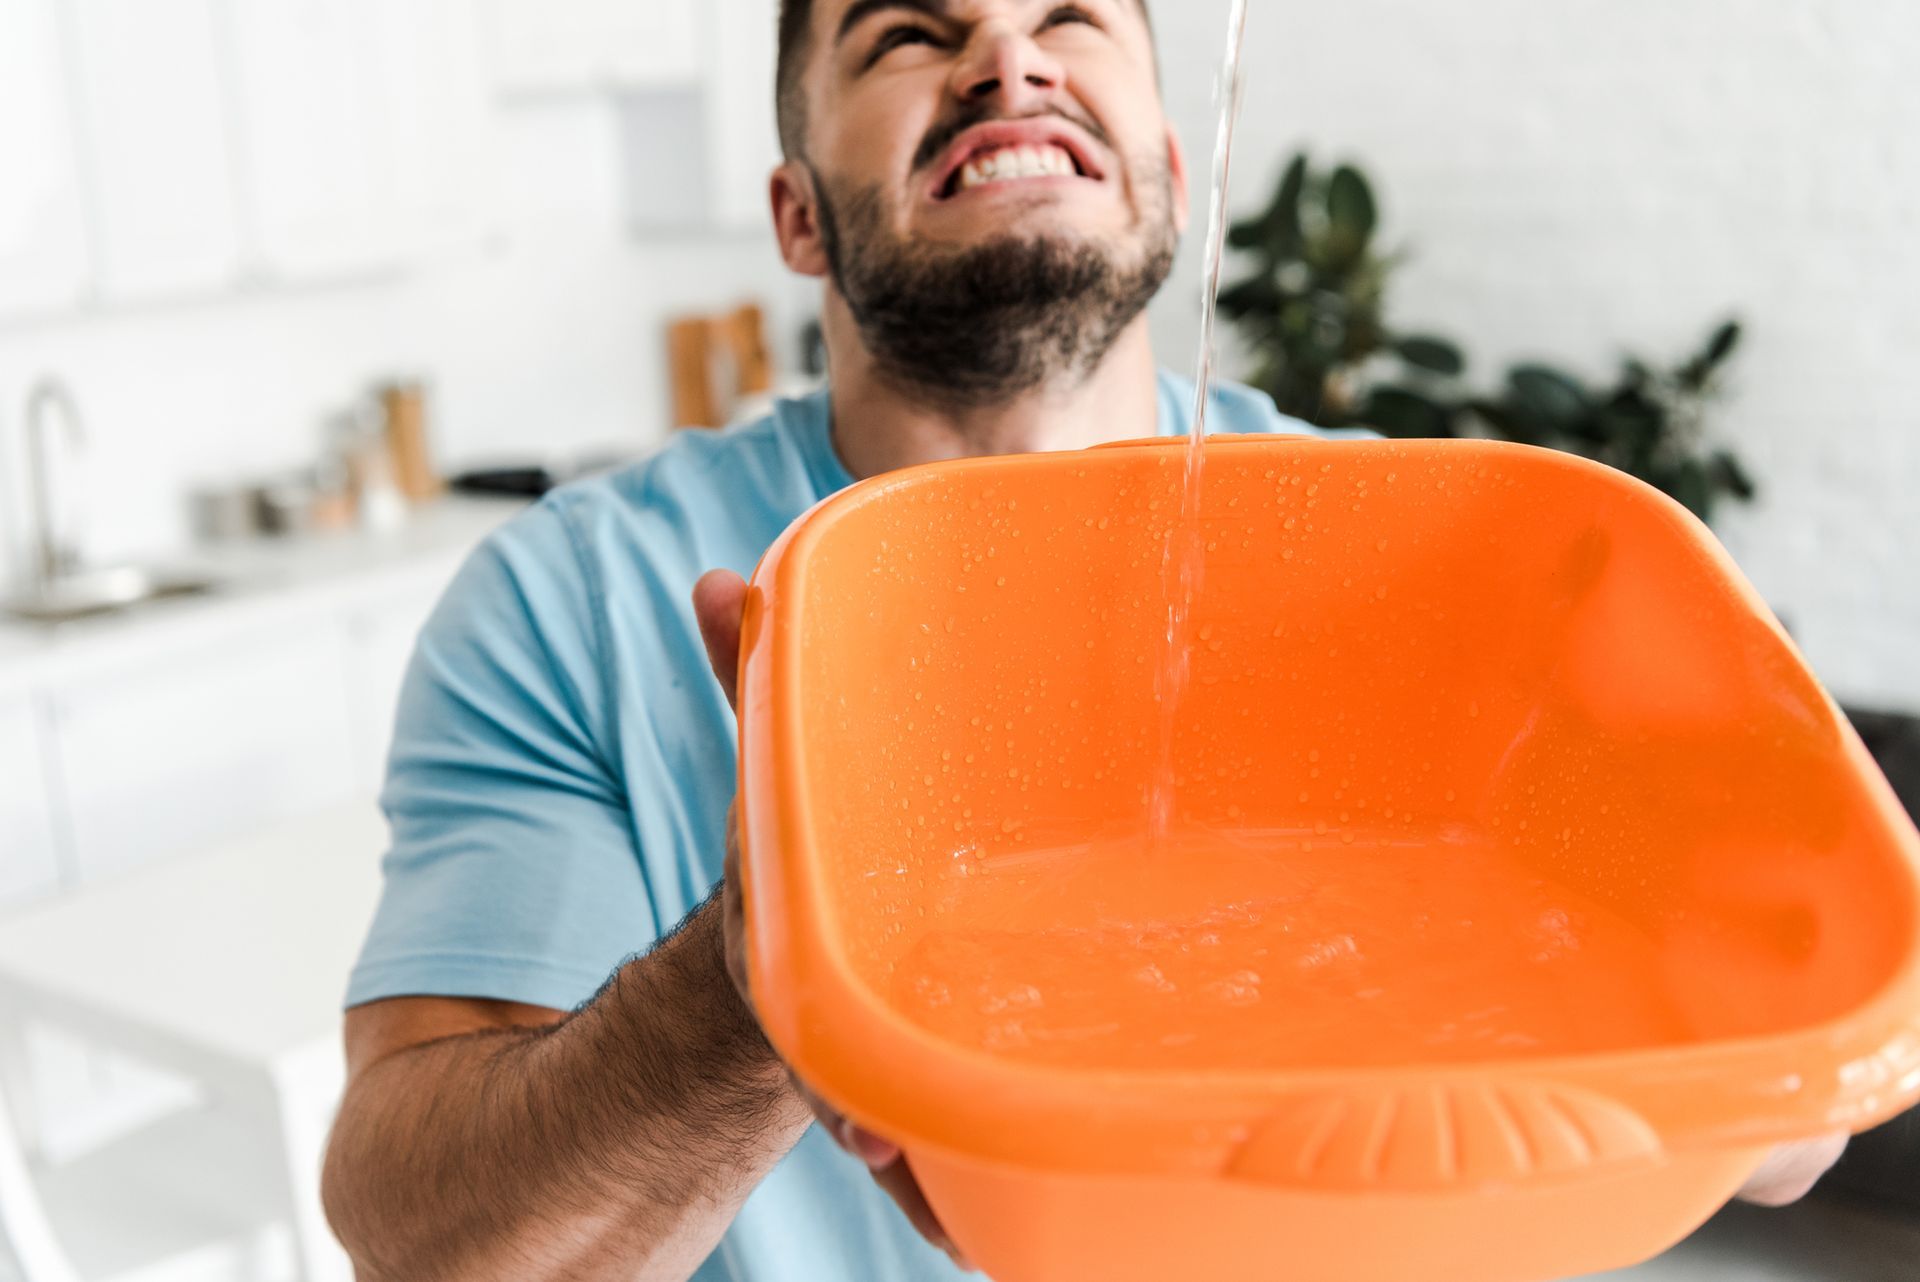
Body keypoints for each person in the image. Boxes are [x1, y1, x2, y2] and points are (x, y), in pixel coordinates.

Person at [319, 1, 1847, 1278]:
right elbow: (435, 1248)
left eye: (1067, 19)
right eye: (909, 34)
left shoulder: (1423, 571)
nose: (1006, 54)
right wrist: (769, 956)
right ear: (797, 214)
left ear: (1171, 174)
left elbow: (1796, 1133)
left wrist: (1719, 852)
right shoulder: (568, 604)